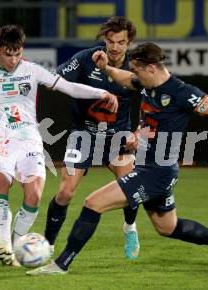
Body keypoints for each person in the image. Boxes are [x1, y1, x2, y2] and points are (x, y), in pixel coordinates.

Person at [26, 42, 208, 276]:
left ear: (150, 68)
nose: (134, 76)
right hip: (152, 167)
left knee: (93, 203)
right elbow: (123, 77)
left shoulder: (182, 92)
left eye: (137, 71)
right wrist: (106, 69)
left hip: (156, 172)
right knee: (167, 227)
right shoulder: (144, 83)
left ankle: (60, 264)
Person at [0, 24, 118, 266]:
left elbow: (68, 87)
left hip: (30, 141)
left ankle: (14, 250)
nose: (13, 59)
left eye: (17, 53)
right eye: (8, 54)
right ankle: (2, 244)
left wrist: (100, 92)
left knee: (34, 196)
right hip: (1, 142)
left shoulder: (32, 70)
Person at [44, 16, 141, 259]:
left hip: (118, 137)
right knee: (65, 192)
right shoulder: (87, 58)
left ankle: (130, 227)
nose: (115, 47)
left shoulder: (137, 67)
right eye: (110, 41)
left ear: (129, 43)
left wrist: (138, 132)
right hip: (83, 133)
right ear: (104, 40)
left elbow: (154, 105)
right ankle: (47, 244)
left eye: (121, 42)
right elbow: (54, 82)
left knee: (132, 188)